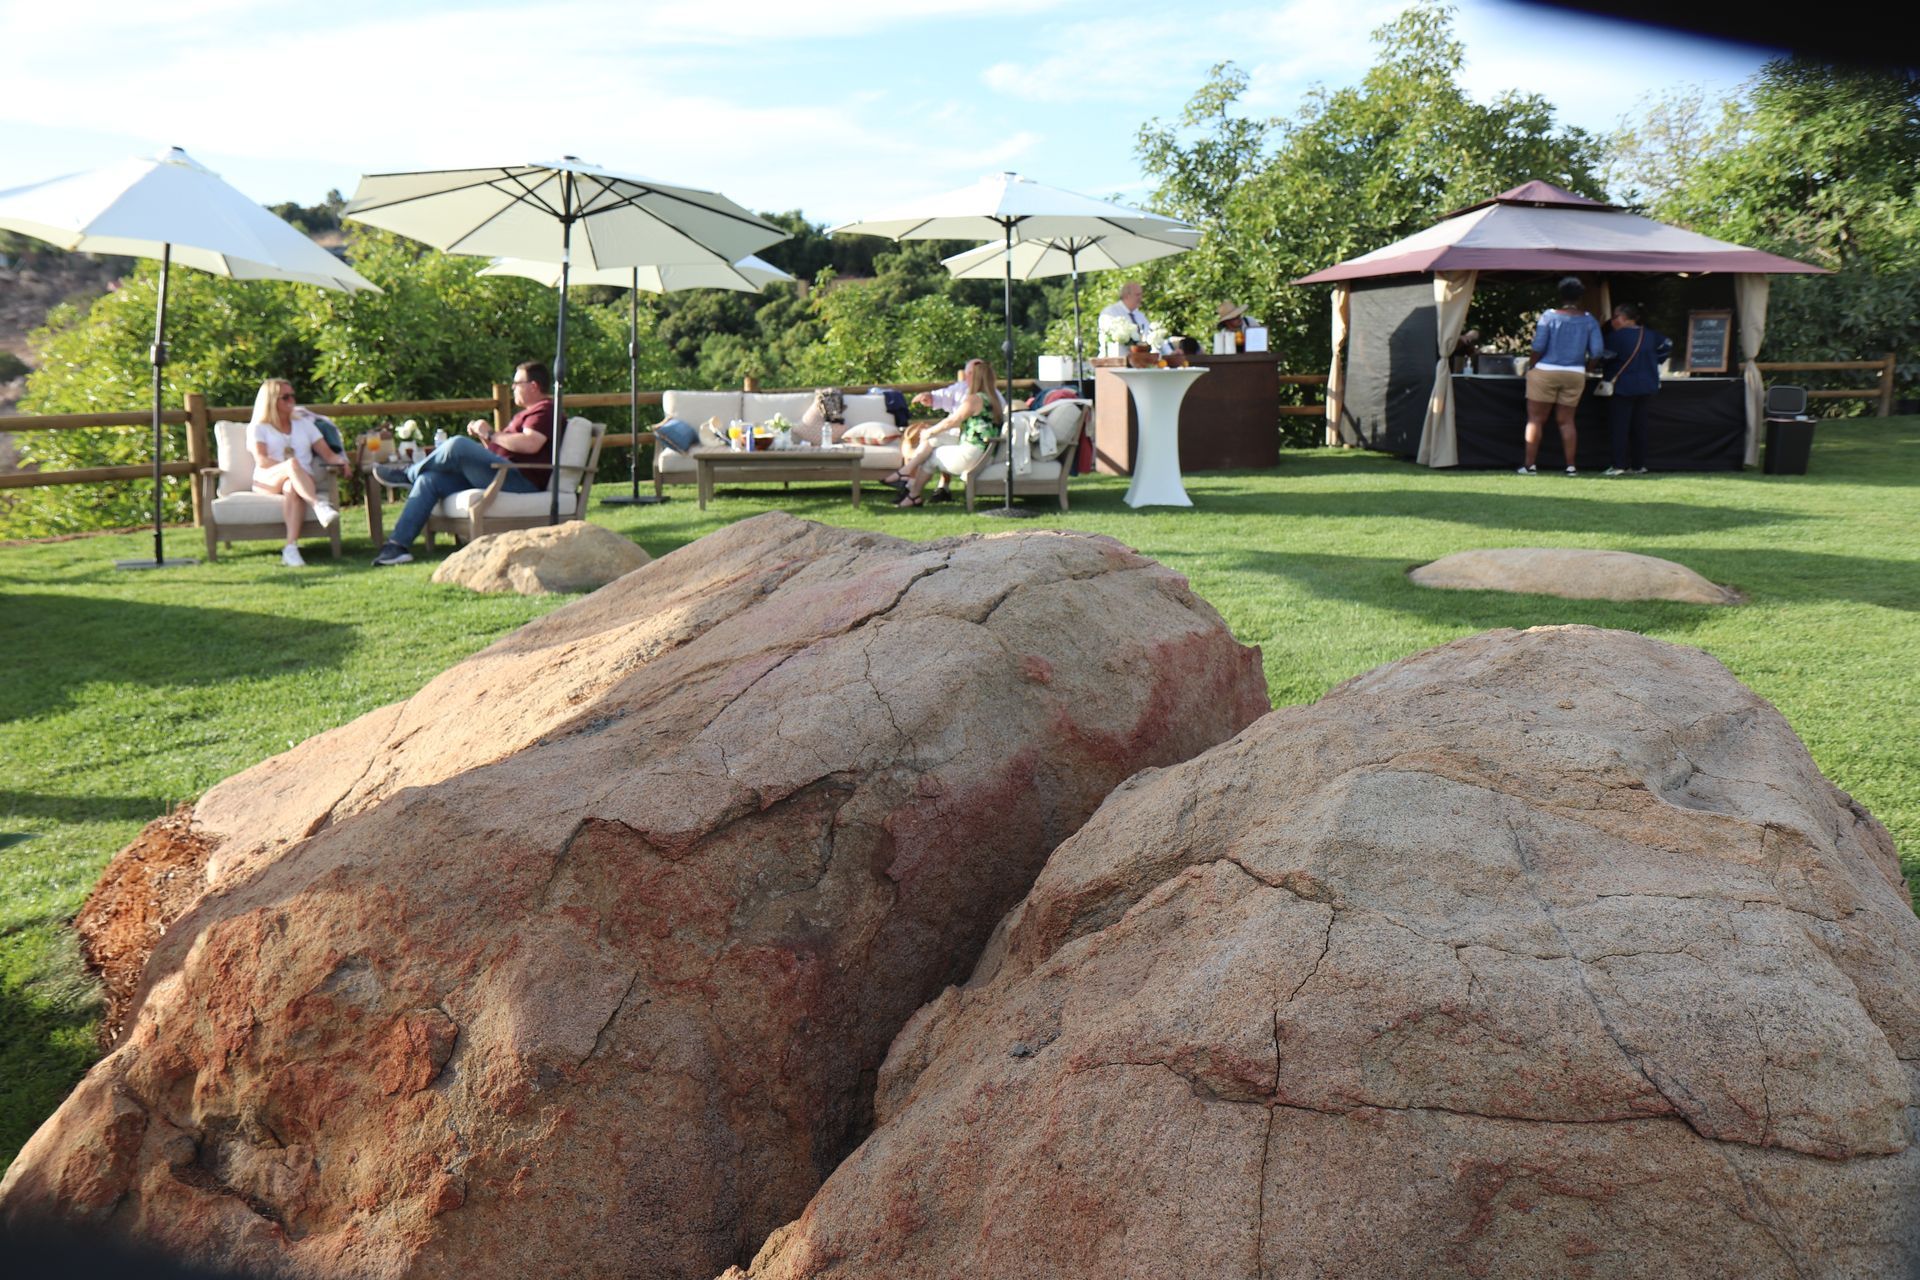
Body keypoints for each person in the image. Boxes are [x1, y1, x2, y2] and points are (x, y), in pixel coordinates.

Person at [369, 361, 555, 566]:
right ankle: (397, 547)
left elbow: (531, 444)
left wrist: (491, 433)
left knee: (457, 444)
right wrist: (486, 437)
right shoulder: (527, 414)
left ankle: (407, 475)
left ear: (534, 386)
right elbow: (502, 450)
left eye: (516, 383)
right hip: (502, 474)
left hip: (520, 481)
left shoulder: (544, 410)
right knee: (430, 479)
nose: (513, 388)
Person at [247, 378, 349, 567]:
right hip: (268, 478)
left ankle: (291, 548)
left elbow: (327, 454)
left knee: (292, 487)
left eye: (293, 395)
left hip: (300, 481)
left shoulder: (304, 424)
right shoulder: (259, 427)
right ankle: (319, 505)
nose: (291, 400)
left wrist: (342, 461)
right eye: (285, 397)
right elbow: (261, 460)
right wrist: (289, 467)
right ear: (271, 400)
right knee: (292, 464)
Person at [882, 359, 1004, 508]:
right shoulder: (995, 399)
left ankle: (912, 493)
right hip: (986, 454)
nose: (967, 378)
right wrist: (932, 433)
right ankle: (908, 478)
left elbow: (953, 420)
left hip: (972, 455)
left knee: (931, 457)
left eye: (970, 375)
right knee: (933, 441)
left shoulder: (974, 399)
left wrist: (929, 431)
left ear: (976, 378)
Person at [1519, 276, 1605, 476]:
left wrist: (1532, 366)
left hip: (1545, 371)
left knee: (1535, 420)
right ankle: (1570, 466)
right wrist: (1588, 368)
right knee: (1567, 421)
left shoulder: (1549, 317)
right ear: (1580, 297)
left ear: (1560, 295)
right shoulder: (1589, 319)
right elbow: (1597, 351)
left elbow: (1538, 346)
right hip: (1575, 373)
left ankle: (1530, 465)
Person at [1600, 302, 1673, 476]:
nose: (1612, 321)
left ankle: (1618, 464)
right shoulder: (1650, 334)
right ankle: (1639, 465)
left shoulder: (1616, 337)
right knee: (1640, 427)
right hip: (1647, 385)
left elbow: (1605, 357)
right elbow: (1668, 345)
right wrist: (1655, 361)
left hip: (1622, 386)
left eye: (1615, 317)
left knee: (1620, 427)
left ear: (1623, 318)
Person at [911, 359, 984, 413]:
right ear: (966, 374)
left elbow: (956, 419)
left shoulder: (992, 393)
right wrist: (928, 397)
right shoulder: (960, 388)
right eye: (970, 373)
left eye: (977, 373)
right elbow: (942, 396)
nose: (974, 376)